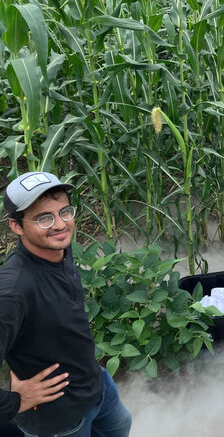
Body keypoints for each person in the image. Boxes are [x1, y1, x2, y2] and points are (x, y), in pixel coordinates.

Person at [0, 172, 132, 437]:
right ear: (16, 225)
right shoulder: (12, 291)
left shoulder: (58, 248)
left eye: (65, 212)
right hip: (59, 420)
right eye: (44, 218)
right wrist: (14, 402)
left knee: (122, 426)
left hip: (98, 388)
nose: (60, 225)